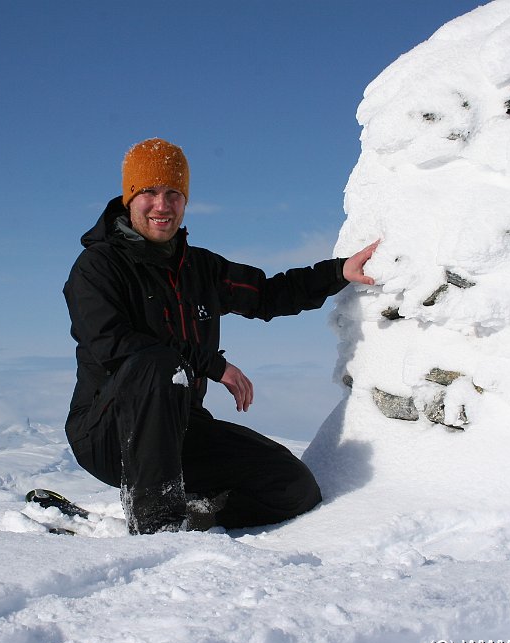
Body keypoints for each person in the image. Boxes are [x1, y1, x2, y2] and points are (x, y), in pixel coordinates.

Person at [63, 138, 377, 534]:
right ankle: (156, 524)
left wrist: (337, 272)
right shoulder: (98, 267)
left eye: (173, 194)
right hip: (108, 433)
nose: (162, 205)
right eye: (149, 192)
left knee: (293, 486)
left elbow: (267, 294)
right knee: (155, 362)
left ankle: (197, 513)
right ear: (129, 198)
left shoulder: (200, 268)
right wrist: (213, 364)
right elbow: (112, 345)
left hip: (180, 430)